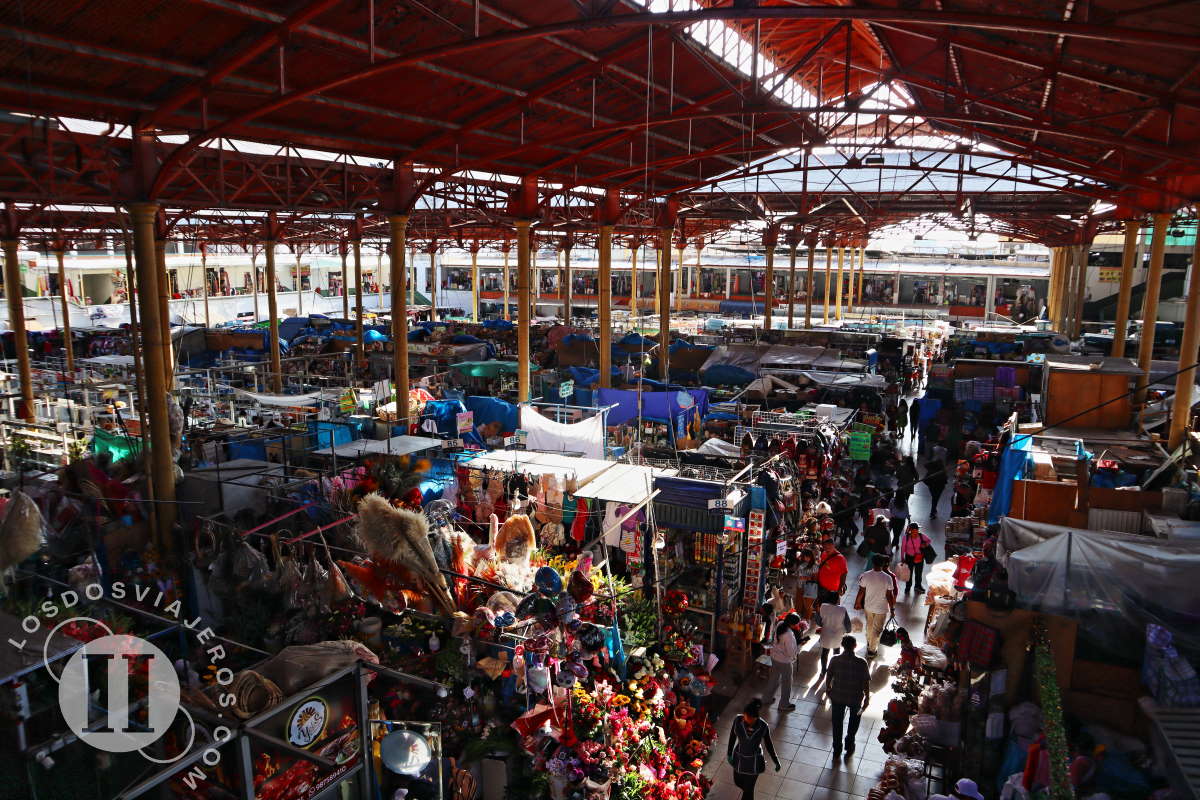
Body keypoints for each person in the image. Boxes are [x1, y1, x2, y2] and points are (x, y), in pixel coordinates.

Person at [826, 634, 871, 758]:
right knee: (854, 720)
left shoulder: (835, 659)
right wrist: (867, 697)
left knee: (837, 722)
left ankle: (837, 748)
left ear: (842, 645)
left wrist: (828, 688)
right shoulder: (862, 662)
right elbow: (866, 681)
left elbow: (829, 675)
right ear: (855, 646)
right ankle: (850, 743)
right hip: (855, 698)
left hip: (837, 696)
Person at [727, 699, 781, 800]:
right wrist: (729, 753)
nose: (746, 719)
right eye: (745, 716)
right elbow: (732, 736)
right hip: (739, 758)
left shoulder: (763, 726)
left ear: (756, 718)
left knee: (748, 790)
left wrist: (776, 760)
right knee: (738, 782)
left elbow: (769, 744)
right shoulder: (738, 720)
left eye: (750, 718)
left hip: (754, 762)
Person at [855, 555, 897, 657]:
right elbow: (889, 595)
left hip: (868, 606)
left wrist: (857, 602)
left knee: (869, 626)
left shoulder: (865, 575)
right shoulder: (888, 578)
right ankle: (872, 650)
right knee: (877, 629)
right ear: (883, 564)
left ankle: (870, 642)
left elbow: (861, 591)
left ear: (872, 563)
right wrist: (892, 609)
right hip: (881, 608)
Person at [761, 613, 801, 711]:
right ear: (792, 624)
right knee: (787, 682)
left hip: (774, 657)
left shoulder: (780, 624)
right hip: (784, 662)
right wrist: (799, 647)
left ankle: (766, 698)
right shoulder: (789, 635)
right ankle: (784, 704)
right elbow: (791, 652)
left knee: (773, 679)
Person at [816, 598, 851, 675]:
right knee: (836, 654)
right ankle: (834, 670)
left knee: (824, 653)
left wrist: (824, 624)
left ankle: (823, 671)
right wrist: (848, 631)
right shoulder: (842, 609)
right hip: (837, 635)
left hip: (826, 634)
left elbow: (818, 621)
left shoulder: (823, 606)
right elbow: (848, 624)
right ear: (837, 600)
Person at [901, 523, 933, 594]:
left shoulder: (921, 536)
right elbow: (903, 548)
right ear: (910, 530)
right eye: (914, 530)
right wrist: (902, 557)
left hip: (919, 557)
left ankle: (918, 586)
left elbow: (929, 540)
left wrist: (925, 544)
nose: (916, 532)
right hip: (909, 558)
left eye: (917, 530)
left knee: (919, 573)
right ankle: (908, 587)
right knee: (909, 573)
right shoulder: (906, 538)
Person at [815, 537, 848, 606]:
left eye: (829, 547)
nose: (827, 549)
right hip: (821, 587)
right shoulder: (824, 553)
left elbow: (844, 573)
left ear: (834, 546)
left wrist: (841, 586)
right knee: (821, 606)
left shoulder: (840, 559)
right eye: (825, 547)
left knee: (831, 607)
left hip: (832, 590)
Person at [791, 549, 820, 620]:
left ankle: (806, 621)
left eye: (808, 557)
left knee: (807, 606)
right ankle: (797, 619)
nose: (807, 558)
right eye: (805, 557)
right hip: (800, 587)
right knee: (798, 605)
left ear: (811, 557)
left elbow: (815, 579)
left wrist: (807, 578)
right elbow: (796, 575)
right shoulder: (800, 565)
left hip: (809, 588)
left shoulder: (815, 566)